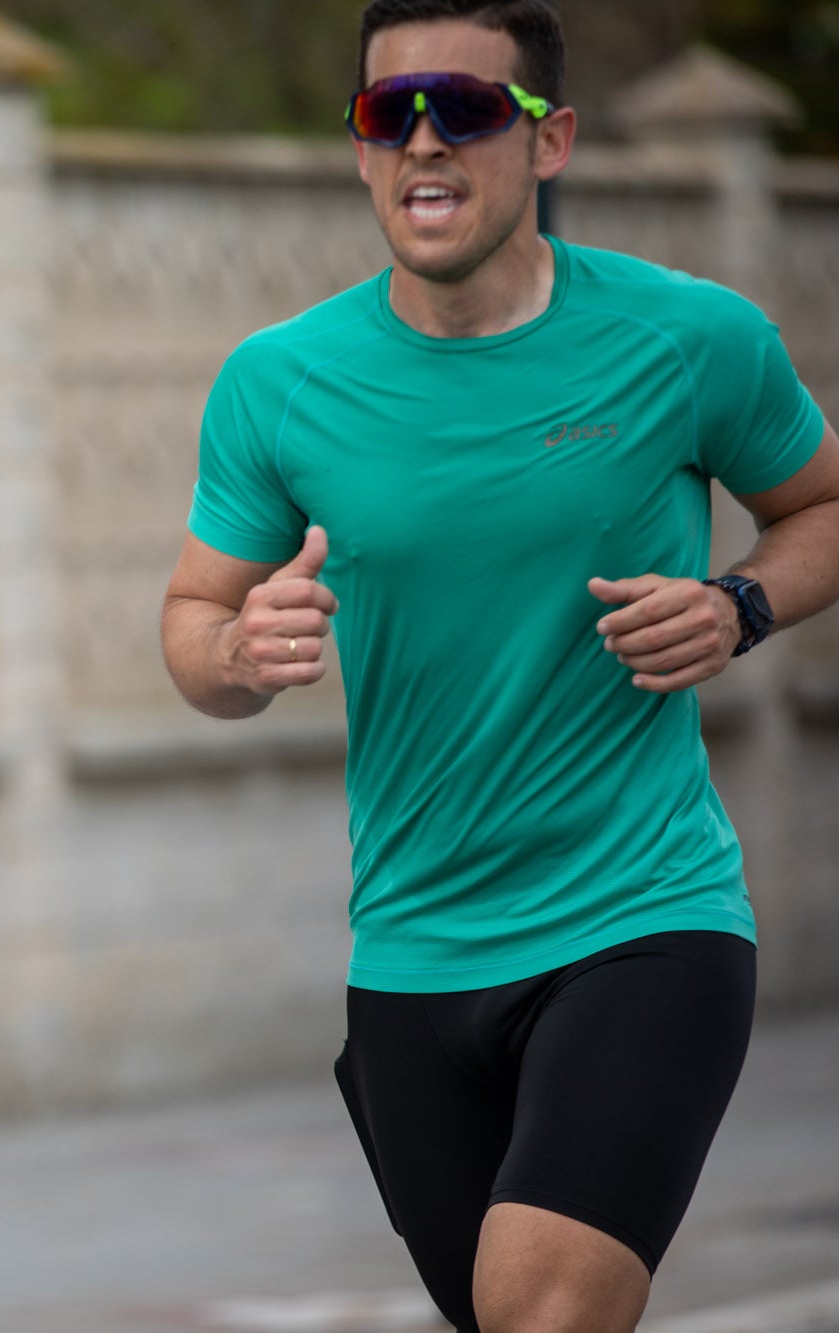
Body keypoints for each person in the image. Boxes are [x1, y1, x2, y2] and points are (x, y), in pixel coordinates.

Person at [158, 2, 839, 1329]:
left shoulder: (688, 339)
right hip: (412, 948)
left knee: (543, 1308)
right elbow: (193, 624)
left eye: (466, 109)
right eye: (385, 112)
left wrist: (740, 604)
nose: (423, 139)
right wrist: (241, 652)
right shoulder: (278, 381)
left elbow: (822, 509)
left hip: (642, 918)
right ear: (360, 152)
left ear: (551, 140)